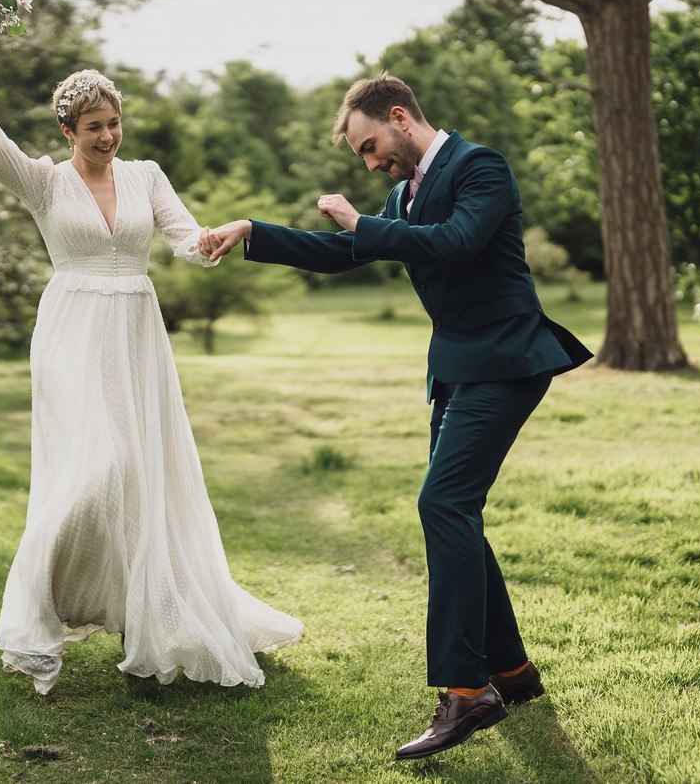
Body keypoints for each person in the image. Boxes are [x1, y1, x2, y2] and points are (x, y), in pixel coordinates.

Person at [200, 71, 590, 760]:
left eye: (371, 144)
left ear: (401, 117)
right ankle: (513, 670)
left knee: (443, 503)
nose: (372, 160)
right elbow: (341, 252)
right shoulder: (400, 197)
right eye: (364, 155)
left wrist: (364, 221)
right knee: (458, 510)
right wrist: (253, 232)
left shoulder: (480, 168)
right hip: (457, 370)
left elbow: (457, 242)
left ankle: (466, 692)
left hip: (507, 359)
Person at [0, 40, 301, 695]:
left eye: (113, 123)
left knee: (141, 475)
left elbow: (186, 236)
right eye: (94, 126)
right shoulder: (45, 182)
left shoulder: (147, 176)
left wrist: (214, 240)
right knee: (95, 471)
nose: (108, 135)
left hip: (136, 335)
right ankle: (43, 612)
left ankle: (144, 619)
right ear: (68, 131)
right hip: (72, 334)